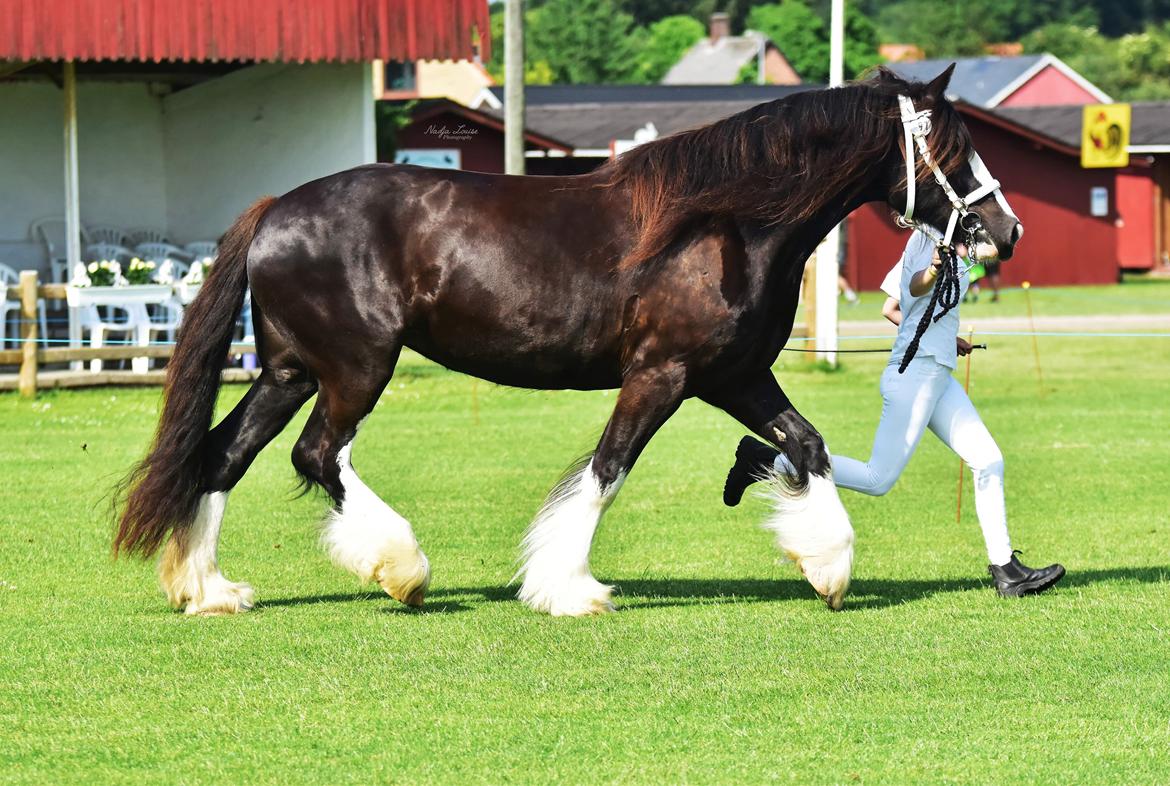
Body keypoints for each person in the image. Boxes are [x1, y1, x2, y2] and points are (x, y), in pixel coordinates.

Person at [724, 230, 1064, 597]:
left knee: (988, 460)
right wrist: (933, 272)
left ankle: (1006, 570)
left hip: (937, 373)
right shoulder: (923, 242)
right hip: (915, 377)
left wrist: (943, 336)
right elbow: (914, 288)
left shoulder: (952, 239)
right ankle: (767, 462)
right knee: (877, 479)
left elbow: (891, 309)